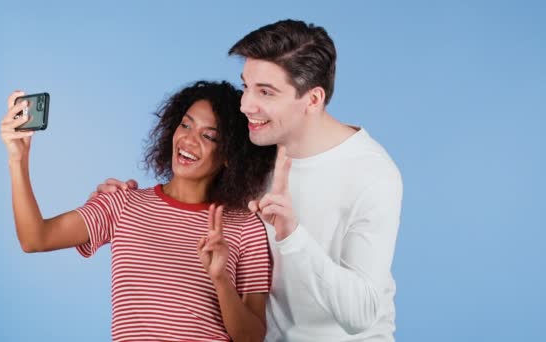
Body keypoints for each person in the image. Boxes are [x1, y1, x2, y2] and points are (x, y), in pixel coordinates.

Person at [97, 19, 403, 342]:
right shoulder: (255, 149)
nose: (245, 106)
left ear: (313, 100)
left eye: (265, 92)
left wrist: (292, 234)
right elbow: (193, 207)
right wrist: (121, 199)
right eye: (246, 86)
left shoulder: (372, 173)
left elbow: (362, 314)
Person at [0, 80, 277, 342]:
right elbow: (35, 238)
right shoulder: (121, 204)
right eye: (185, 125)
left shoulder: (245, 227)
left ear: (229, 155)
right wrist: (18, 159)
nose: (189, 140)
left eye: (209, 136)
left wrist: (221, 280)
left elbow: (252, 337)